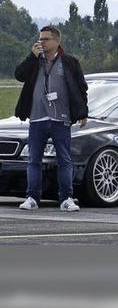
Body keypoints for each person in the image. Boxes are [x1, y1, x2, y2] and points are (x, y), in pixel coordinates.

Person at [14, 25, 88, 212]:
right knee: (34, 159)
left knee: (64, 159)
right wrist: (31, 56)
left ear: (56, 41)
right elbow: (19, 75)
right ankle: (32, 197)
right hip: (37, 118)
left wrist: (82, 112)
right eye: (40, 39)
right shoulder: (35, 62)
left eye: (46, 39)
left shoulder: (69, 62)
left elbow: (81, 87)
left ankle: (66, 198)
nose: (42, 42)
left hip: (60, 118)